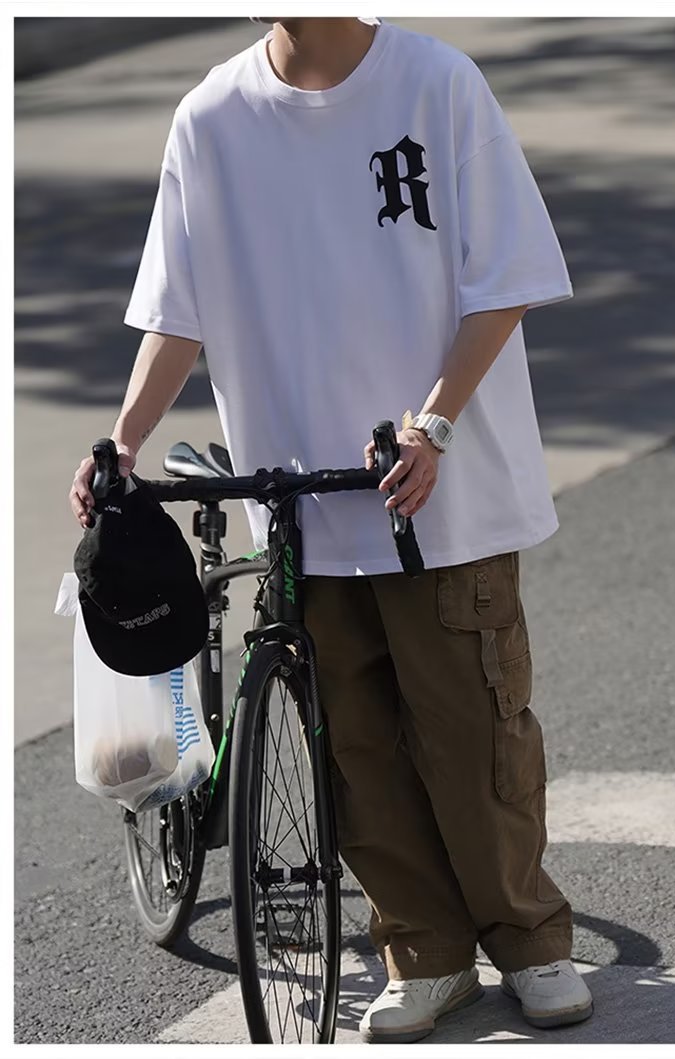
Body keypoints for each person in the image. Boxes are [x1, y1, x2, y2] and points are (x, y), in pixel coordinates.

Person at [69, 16, 593, 1043]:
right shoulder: (212, 118)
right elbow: (176, 312)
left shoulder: (437, 84)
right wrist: (123, 442)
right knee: (352, 747)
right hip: (298, 500)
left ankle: (531, 940)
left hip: (439, 496)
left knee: (473, 732)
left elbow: (508, 283)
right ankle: (426, 954)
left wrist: (434, 425)